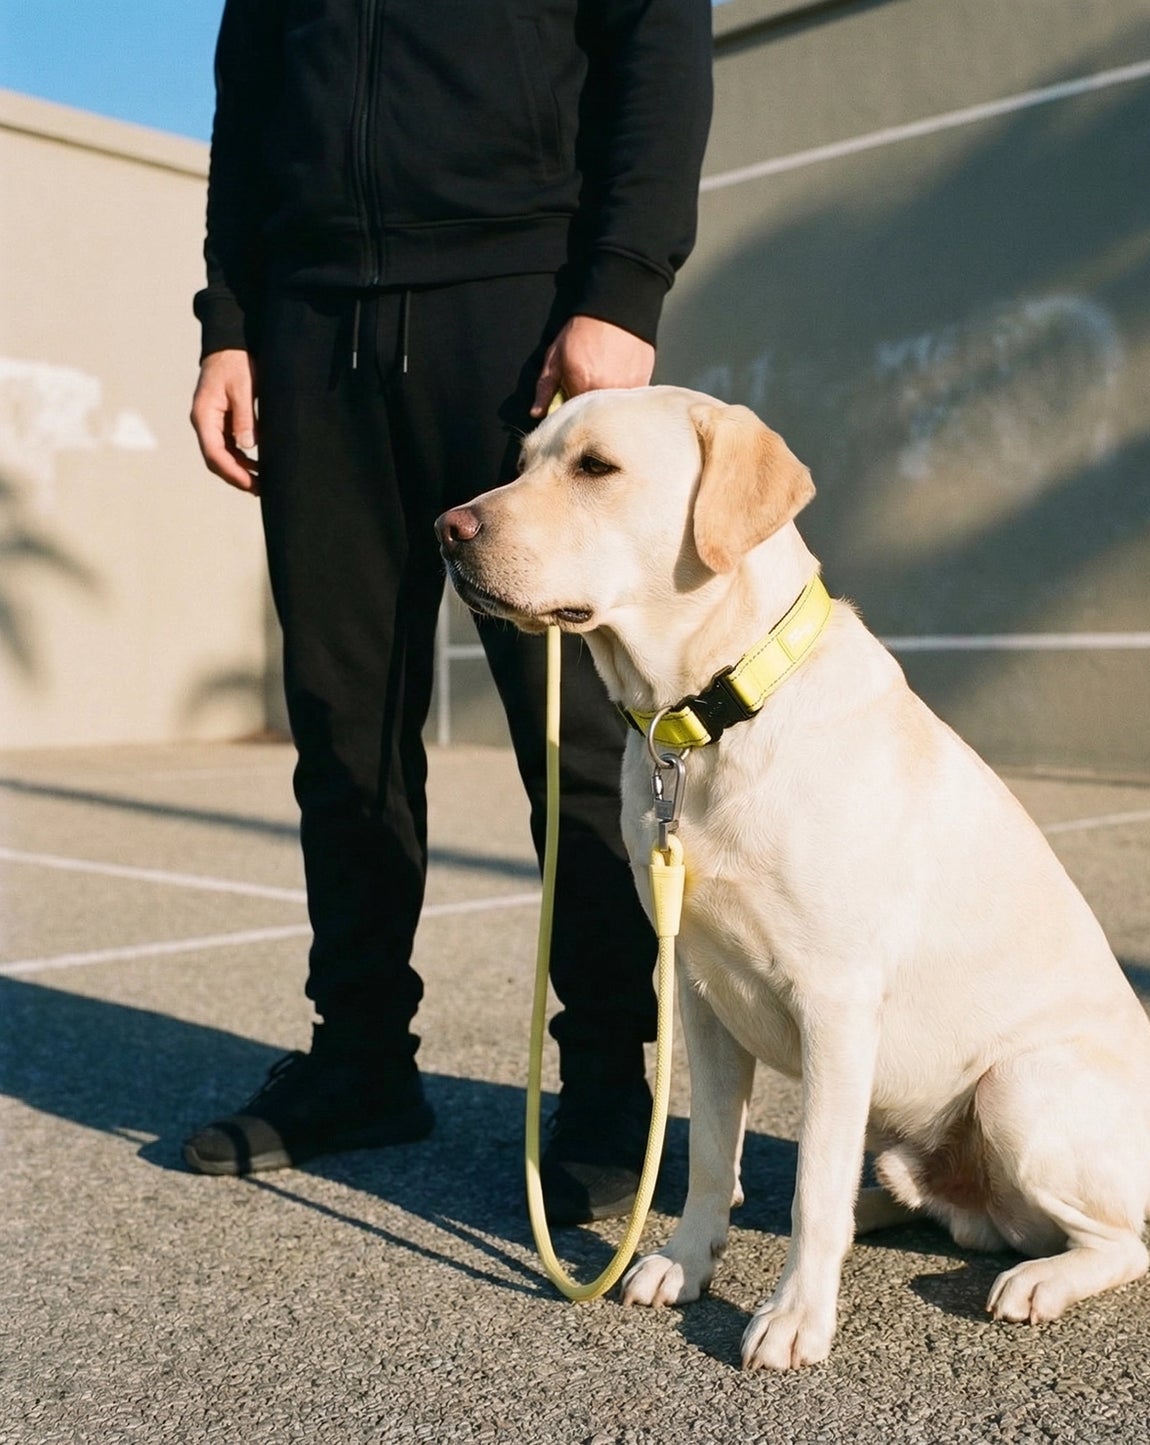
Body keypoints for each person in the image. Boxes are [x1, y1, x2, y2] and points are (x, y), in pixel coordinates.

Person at [183, 0, 714, 1224]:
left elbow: (656, 41)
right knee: (342, 723)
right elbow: (248, 109)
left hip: (518, 316)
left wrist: (621, 288)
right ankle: (361, 1057)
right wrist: (230, 322)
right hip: (312, 331)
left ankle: (602, 1085)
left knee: (575, 739)